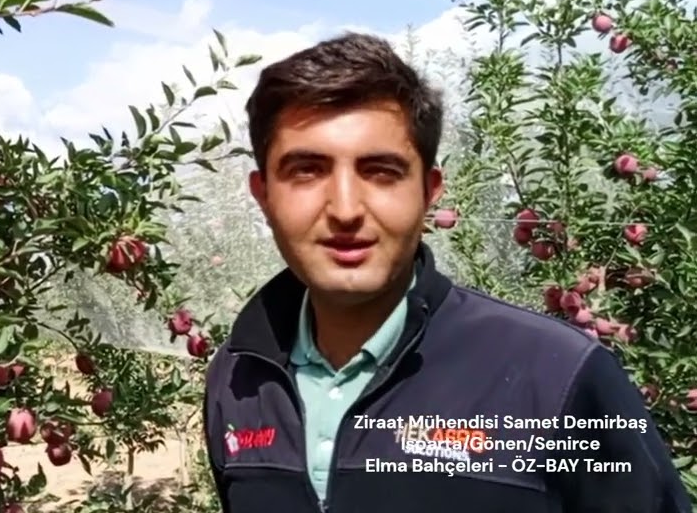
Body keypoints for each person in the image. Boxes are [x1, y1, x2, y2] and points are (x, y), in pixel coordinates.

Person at [202, 32, 689, 513]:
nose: (345, 209)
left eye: (381, 171)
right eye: (307, 170)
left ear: (429, 193)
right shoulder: (238, 377)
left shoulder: (558, 375)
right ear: (263, 195)